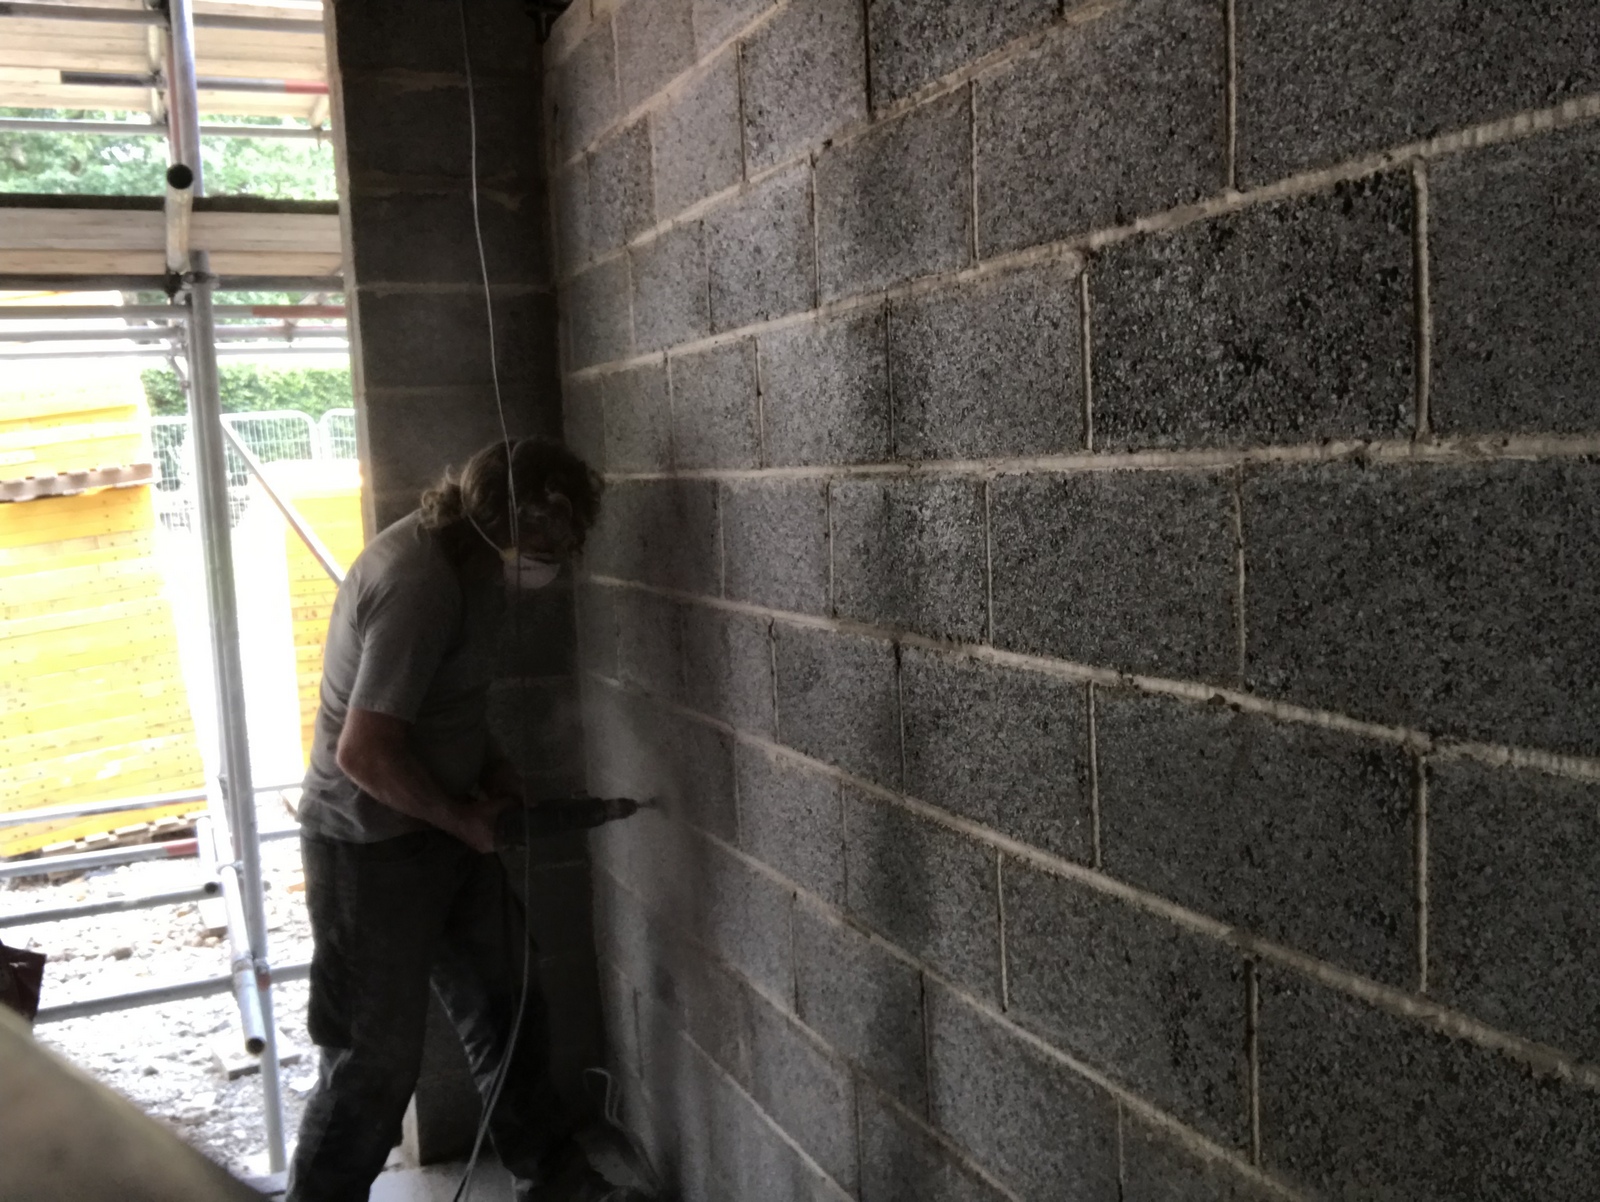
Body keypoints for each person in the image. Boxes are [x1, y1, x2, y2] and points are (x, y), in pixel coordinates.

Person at [287, 438, 636, 1202]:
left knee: (510, 1005)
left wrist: (492, 765)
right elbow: (364, 752)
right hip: (369, 849)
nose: (554, 559)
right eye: (547, 541)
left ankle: (555, 1182)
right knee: (372, 1065)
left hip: (438, 831)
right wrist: (461, 819)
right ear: (507, 517)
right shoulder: (418, 585)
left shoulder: (474, 569)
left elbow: (446, 701)